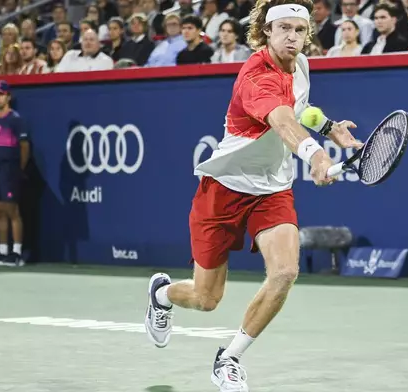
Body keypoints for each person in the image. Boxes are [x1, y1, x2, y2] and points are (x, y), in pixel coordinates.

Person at [143, 0, 363, 391]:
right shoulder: (256, 77)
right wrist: (314, 155)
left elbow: (301, 108)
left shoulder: (301, 66)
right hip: (224, 190)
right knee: (206, 298)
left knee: (285, 272)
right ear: (266, 31)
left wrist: (330, 128)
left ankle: (228, 358)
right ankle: (162, 294)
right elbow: (280, 119)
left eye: (300, 29)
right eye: (285, 29)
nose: (293, 37)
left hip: (272, 189)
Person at [0, 80, 30, 267]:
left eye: (1, 94)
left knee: (12, 211)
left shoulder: (16, 119)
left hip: (10, 169)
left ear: (8, 96)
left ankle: (17, 253)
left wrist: (18, 169)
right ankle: (3, 252)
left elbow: (24, 146)